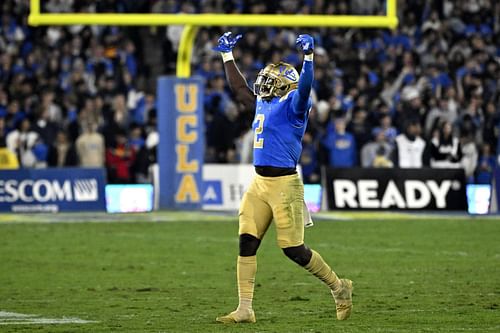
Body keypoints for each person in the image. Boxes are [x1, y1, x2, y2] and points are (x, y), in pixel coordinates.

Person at [213, 32, 353, 324]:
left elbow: (304, 88)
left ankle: (339, 288)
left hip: (284, 185)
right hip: (259, 183)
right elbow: (240, 90)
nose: (266, 80)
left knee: (293, 250)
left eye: (273, 77)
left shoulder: (294, 105)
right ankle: (245, 309)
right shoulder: (264, 101)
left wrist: (309, 59)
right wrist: (227, 55)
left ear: (286, 84)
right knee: (246, 242)